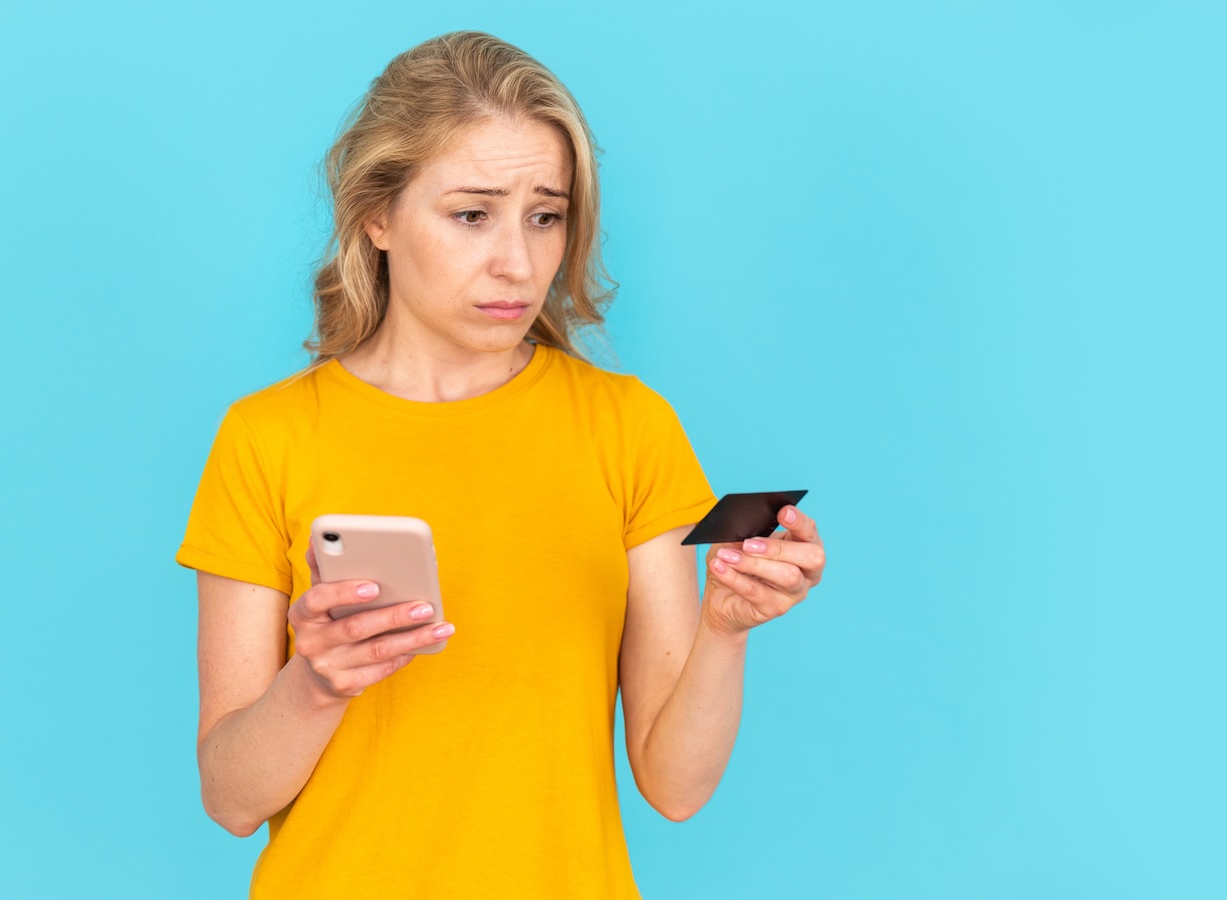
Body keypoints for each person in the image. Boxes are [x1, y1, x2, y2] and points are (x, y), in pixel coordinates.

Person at [175, 30, 828, 899]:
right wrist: (316, 682)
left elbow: (675, 788)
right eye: (472, 214)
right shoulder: (268, 438)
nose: (517, 262)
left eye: (545, 215)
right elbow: (229, 798)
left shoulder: (627, 428)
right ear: (377, 215)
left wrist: (725, 628)